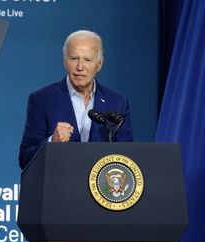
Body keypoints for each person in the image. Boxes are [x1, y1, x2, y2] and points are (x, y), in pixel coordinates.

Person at [19, 30, 133, 169]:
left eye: (87, 60)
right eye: (74, 58)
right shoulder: (42, 99)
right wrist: (52, 142)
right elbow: (25, 159)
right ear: (65, 61)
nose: (80, 67)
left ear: (99, 64)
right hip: (59, 187)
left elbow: (127, 158)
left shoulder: (117, 103)